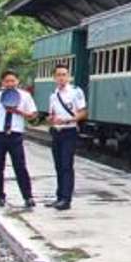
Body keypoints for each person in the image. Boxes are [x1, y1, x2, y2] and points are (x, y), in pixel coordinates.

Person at [0, 70, 37, 208]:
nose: (10, 83)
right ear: (3, 82)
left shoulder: (25, 96)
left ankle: (28, 197)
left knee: (20, 167)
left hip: (15, 135)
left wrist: (19, 112)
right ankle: (0, 197)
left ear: (17, 81)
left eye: (12, 81)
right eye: (7, 81)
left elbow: (33, 115)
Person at [47, 64, 87, 211]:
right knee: (58, 165)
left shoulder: (76, 92)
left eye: (64, 74)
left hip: (69, 131)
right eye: (59, 75)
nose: (62, 77)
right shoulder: (53, 95)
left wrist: (68, 120)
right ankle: (59, 197)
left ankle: (66, 199)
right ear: (55, 77)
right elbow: (52, 114)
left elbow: (83, 113)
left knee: (66, 165)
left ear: (68, 76)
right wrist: (51, 119)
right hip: (56, 132)